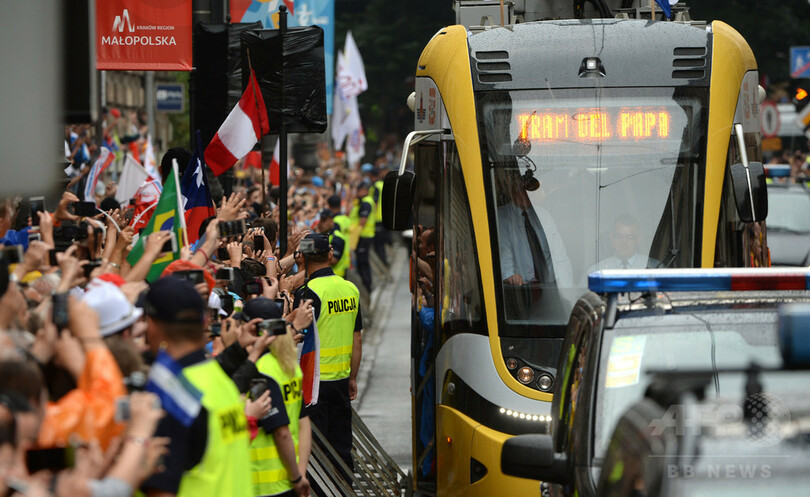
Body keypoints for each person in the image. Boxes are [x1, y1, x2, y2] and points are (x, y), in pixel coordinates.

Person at [141, 276, 252, 497]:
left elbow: (160, 490)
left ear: (151, 324)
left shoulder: (171, 394)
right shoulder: (220, 380)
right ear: (205, 322)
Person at [292, 233, 362, 480]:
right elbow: (357, 338)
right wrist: (352, 377)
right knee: (341, 445)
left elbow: (296, 337)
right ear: (330, 255)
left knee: (317, 448)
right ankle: (345, 487)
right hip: (341, 378)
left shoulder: (307, 293)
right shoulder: (350, 288)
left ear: (302, 257)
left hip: (313, 383)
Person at [238, 298, 312, 497]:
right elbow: (303, 423)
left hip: (262, 485)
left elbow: (282, 433)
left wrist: (296, 477)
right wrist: (300, 473)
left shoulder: (259, 371)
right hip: (287, 479)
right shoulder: (287, 364)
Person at [496, 169, 573, 287]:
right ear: (513, 189)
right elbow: (504, 250)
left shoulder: (544, 215)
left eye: (531, 190)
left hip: (551, 286)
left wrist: (566, 290)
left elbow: (560, 256)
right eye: (523, 189)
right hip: (522, 288)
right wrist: (509, 275)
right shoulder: (502, 217)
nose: (529, 194)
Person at [587, 215, 659, 272]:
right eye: (618, 236)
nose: (624, 242)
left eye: (630, 237)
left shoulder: (654, 268)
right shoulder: (597, 271)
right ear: (611, 238)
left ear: (638, 239)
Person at [349, 181, 376, 292]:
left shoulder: (366, 203)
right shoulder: (363, 202)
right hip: (363, 236)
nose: (357, 193)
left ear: (364, 190)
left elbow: (362, 221)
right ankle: (366, 286)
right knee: (362, 262)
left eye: (358, 190)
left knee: (363, 263)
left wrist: (354, 235)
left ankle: (367, 287)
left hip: (363, 236)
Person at [315, 208, 350, 278]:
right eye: (320, 220)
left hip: (337, 277)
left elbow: (333, 260)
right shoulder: (325, 235)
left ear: (331, 220)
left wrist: (316, 252)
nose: (321, 224)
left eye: (324, 220)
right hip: (326, 276)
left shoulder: (337, 238)